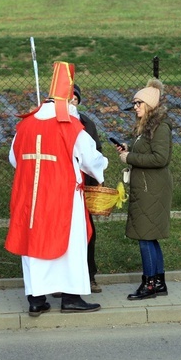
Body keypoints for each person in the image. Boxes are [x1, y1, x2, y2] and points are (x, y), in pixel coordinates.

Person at [5, 61, 108, 317]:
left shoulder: (25, 125)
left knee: (34, 245)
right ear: (68, 99)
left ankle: (36, 299)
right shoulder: (70, 126)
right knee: (71, 245)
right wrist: (102, 167)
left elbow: (13, 159)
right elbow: (91, 159)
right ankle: (71, 297)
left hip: (31, 197)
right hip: (63, 198)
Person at [113, 78, 172, 300]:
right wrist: (129, 147)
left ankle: (148, 285)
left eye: (138, 103)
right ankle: (159, 282)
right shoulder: (146, 127)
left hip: (152, 189)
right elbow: (146, 150)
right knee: (149, 236)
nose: (134, 107)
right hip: (147, 187)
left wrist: (130, 157)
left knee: (145, 237)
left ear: (149, 104)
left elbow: (160, 158)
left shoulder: (160, 127)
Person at [70, 83, 103, 293]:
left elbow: (95, 151)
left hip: (83, 189)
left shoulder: (86, 123)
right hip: (62, 189)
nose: (72, 102)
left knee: (87, 232)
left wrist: (97, 180)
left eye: (75, 99)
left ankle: (90, 275)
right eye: (69, 98)